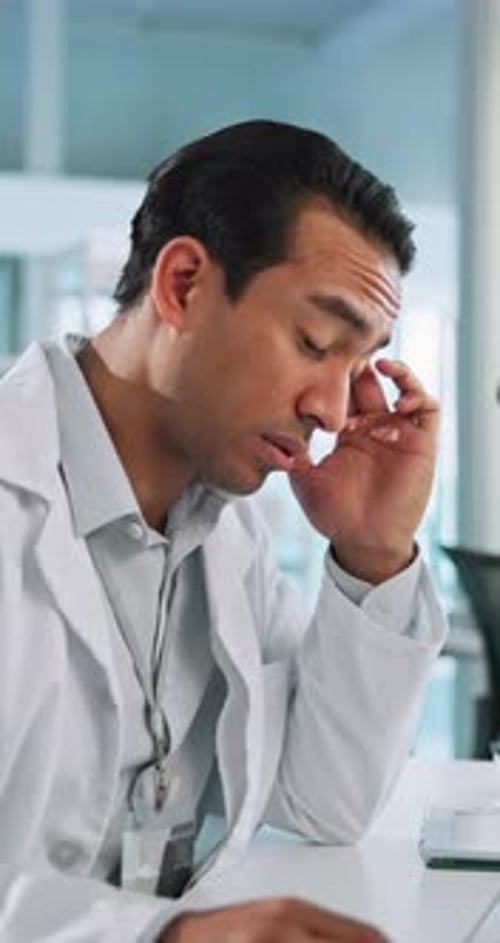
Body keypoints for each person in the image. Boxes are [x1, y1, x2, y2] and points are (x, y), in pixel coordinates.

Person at [0, 119, 446, 942]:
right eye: (315, 342)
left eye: (357, 367)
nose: (335, 411)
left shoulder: (225, 534)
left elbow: (325, 797)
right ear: (182, 285)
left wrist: (372, 551)